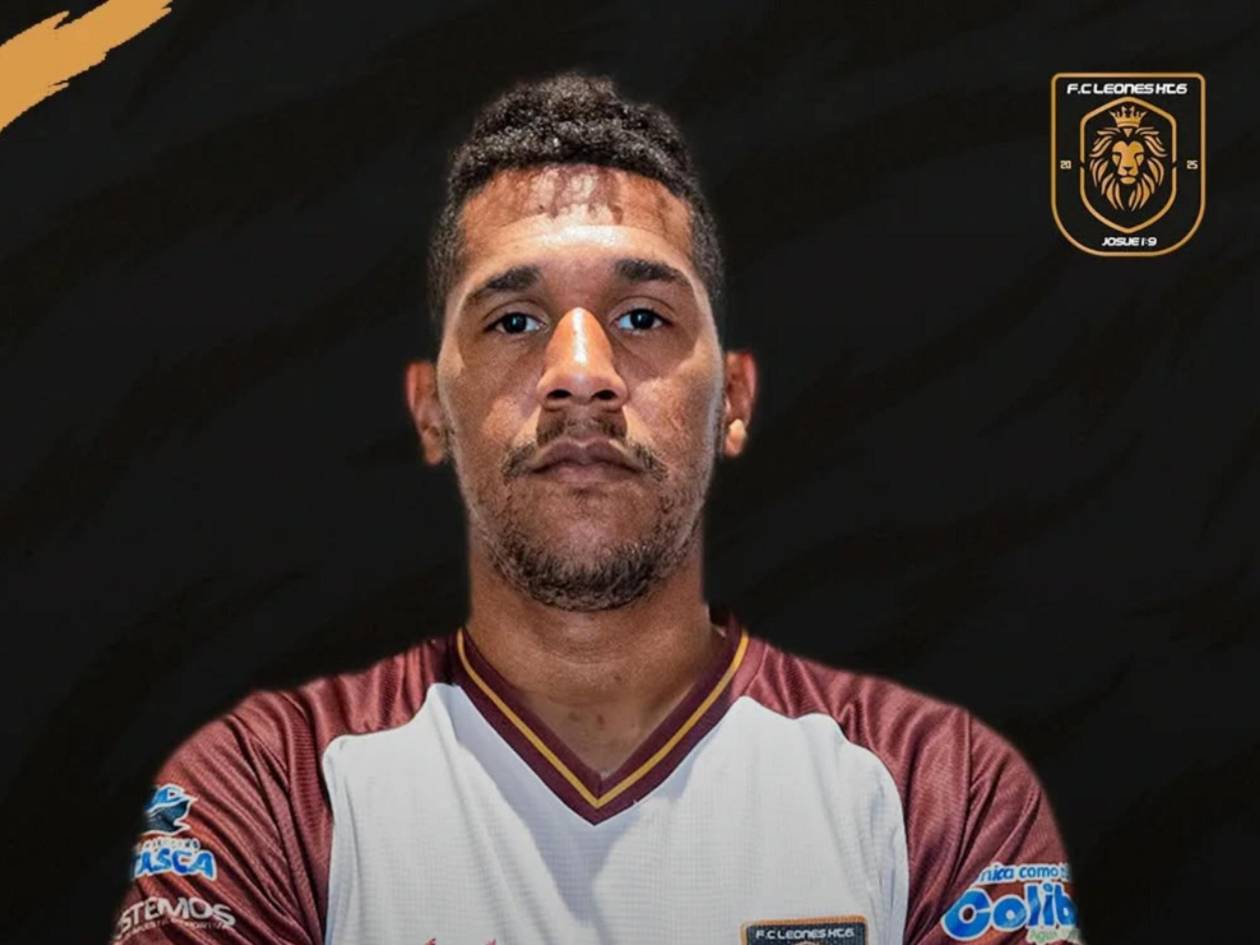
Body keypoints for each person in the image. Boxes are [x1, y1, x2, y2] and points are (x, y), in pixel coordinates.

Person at [111, 72, 1083, 945]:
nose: (581, 373)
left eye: (642, 317)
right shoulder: (274, 788)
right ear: (431, 409)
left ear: (734, 400)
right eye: (515, 320)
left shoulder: (936, 788)